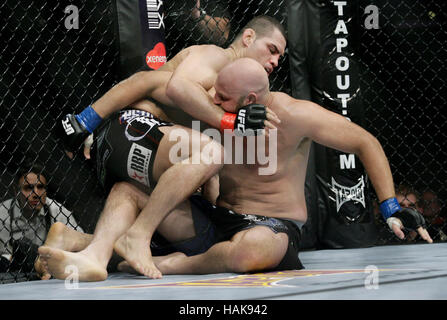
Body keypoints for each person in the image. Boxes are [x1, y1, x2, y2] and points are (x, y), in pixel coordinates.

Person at [40, 58, 432, 281]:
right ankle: (89, 247)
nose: (211, 98)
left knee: (254, 250)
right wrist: (87, 121)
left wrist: (389, 206)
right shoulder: (215, 106)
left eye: (222, 97)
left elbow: (366, 141)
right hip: (217, 219)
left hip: (272, 226)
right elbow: (151, 82)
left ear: (249, 99)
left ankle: (139, 257)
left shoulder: (294, 115)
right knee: (129, 190)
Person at [60, 15, 286, 152]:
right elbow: (166, 86)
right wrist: (230, 121)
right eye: (272, 50)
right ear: (248, 38)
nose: (275, 62)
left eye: (279, 58)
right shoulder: (217, 57)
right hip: (136, 125)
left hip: (169, 143)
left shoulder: (244, 88)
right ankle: (84, 121)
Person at [0, 162, 82, 274]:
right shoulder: (2, 214)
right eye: (28, 188)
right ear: (16, 191)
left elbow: (79, 242)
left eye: (40, 187)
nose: (36, 193)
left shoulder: (56, 211)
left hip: (49, 268)